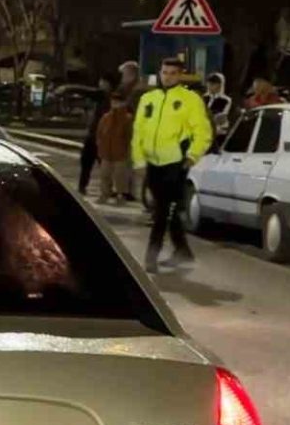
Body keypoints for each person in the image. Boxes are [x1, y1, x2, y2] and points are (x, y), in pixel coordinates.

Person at [132, 58, 214, 273]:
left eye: (173, 73)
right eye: (165, 72)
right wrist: (139, 160)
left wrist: (192, 156)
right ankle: (182, 250)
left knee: (162, 211)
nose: (168, 77)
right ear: (160, 73)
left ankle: (151, 255)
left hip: (176, 164)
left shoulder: (190, 99)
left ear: (180, 75)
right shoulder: (148, 98)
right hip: (153, 163)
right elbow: (138, 131)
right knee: (167, 209)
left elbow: (202, 131)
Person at [94, 93, 134, 205]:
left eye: (117, 102)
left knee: (120, 176)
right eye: (113, 101)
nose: (114, 104)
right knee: (105, 174)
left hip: (121, 152)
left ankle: (120, 195)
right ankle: (105, 194)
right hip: (106, 151)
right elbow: (99, 132)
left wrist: (128, 150)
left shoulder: (127, 118)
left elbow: (130, 135)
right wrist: (100, 145)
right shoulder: (106, 117)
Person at [204, 73, 233, 139]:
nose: (209, 86)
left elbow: (223, 116)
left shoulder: (226, 100)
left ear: (220, 85)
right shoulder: (204, 98)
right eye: (208, 83)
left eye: (213, 84)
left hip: (219, 132)